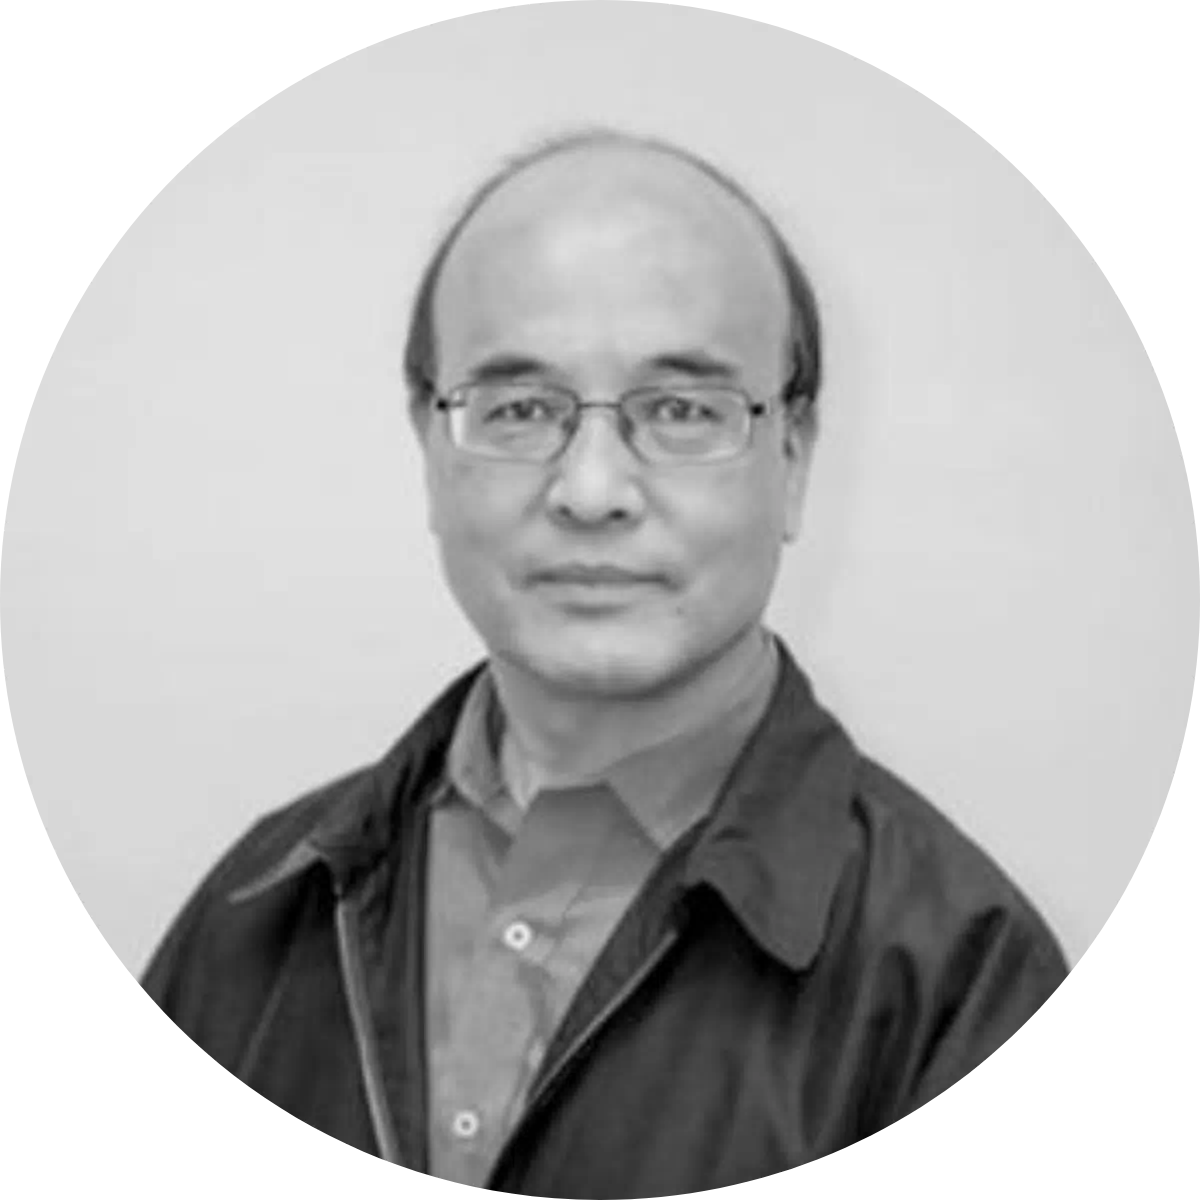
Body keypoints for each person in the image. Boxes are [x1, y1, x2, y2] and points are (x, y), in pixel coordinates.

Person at [139, 126, 1070, 1192]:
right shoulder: (258, 907)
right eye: (521, 408)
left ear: (796, 458)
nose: (590, 489)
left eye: (681, 410)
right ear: (430, 451)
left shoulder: (961, 980)